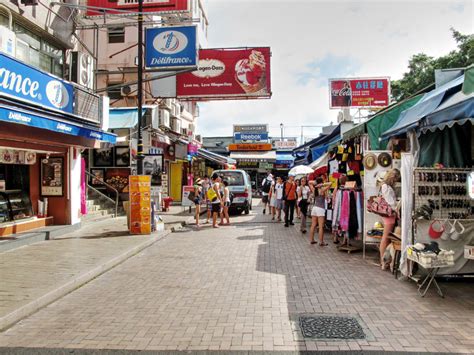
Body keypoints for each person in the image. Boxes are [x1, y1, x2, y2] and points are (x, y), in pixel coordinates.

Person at [379, 168, 401, 269]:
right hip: (389, 215)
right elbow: (390, 202)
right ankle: (382, 261)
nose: (396, 181)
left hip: (388, 215)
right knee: (385, 237)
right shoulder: (386, 187)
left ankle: (384, 260)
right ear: (393, 177)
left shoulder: (385, 186)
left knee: (386, 238)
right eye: (396, 178)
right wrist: (397, 205)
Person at [309, 178, 332, 245]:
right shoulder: (322, 190)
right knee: (321, 226)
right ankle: (321, 241)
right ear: (321, 182)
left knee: (313, 225)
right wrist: (321, 185)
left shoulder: (314, 189)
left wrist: (316, 184)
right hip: (320, 209)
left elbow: (310, 182)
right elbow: (330, 184)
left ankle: (312, 240)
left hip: (314, 208)